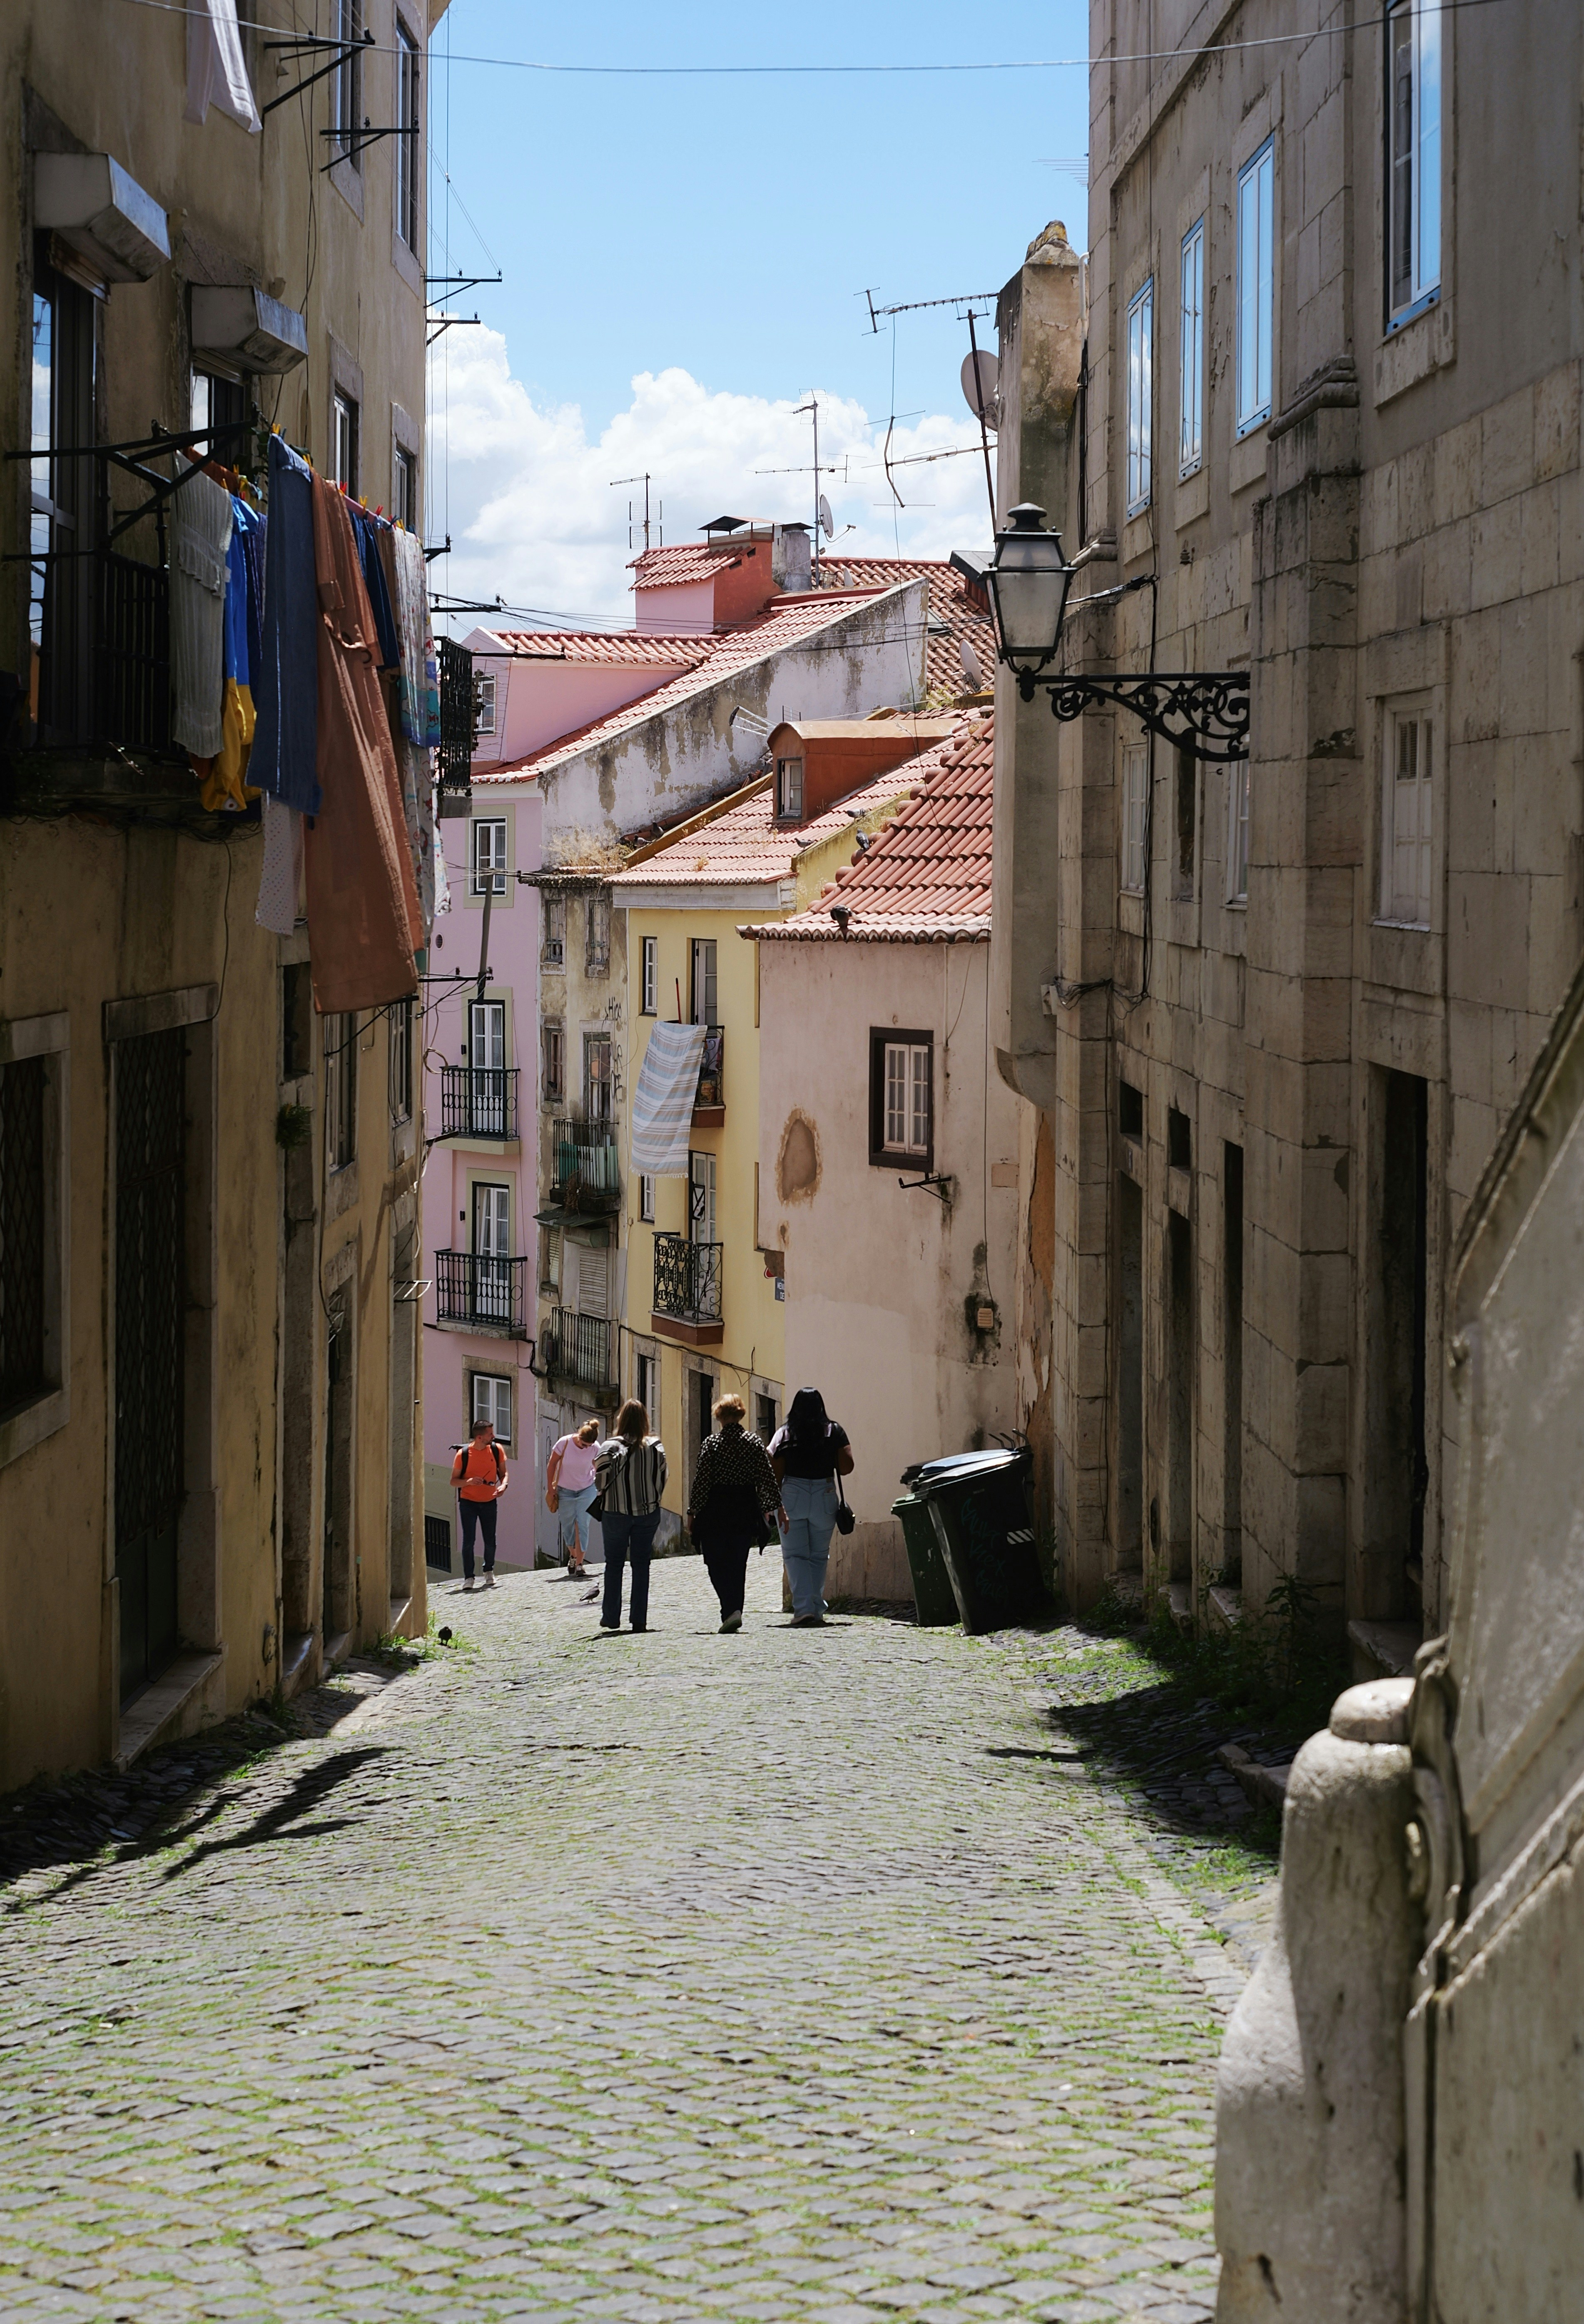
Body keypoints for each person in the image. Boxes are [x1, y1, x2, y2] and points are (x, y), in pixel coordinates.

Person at [687, 1393, 785, 1634]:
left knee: (715, 1561)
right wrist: (778, 1509)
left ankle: (730, 1610)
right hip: (744, 1508)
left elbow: (702, 1482)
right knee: (737, 1562)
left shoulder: (711, 1444)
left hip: (715, 1510)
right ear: (740, 1414)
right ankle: (734, 1610)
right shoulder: (753, 1442)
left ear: (719, 1416)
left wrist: (693, 1512)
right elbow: (767, 1479)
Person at [768, 1387, 854, 1626]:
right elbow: (847, 1467)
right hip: (824, 1495)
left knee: (795, 1555)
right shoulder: (834, 1431)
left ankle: (804, 1608)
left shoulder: (784, 1434)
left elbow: (773, 1466)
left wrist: (773, 1502)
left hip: (793, 1493)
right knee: (819, 1555)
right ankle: (815, 1608)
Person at [594, 1400, 667, 1634]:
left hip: (616, 1513)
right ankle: (639, 1620)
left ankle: (611, 1617)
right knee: (641, 1565)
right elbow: (663, 1480)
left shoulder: (609, 1447)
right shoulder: (656, 1447)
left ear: (621, 1420)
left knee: (614, 1564)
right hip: (647, 1514)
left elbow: (600, 1482)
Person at [450, 1418, 508, 1591]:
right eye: (490, 1434)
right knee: (469, 1541)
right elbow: (453, 1481)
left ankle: (489, 1570)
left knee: (490, 1540)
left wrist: (504, 1486)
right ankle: (469, 1577)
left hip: (490, 1501)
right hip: (468, 1503)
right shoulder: (464, 1455)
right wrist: (468, 1481)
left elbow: (504, 1474)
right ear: (480, 1438)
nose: (494, 1436)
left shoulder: (497, 1450)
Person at [546, 1417, 602, 1577]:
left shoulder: (595, 1448)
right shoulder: (564, 1443)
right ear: (579, 1437)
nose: (586, 1448)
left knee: (583, 1524)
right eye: (584, 1445)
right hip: (565, 1491)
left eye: (589, 1446)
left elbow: (598, 1467)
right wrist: (551, 1488)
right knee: (568, 1526)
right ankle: (573, 1555)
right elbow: (552, 1465)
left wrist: (601, 1487)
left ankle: (580, 1564)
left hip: (587, 1489)